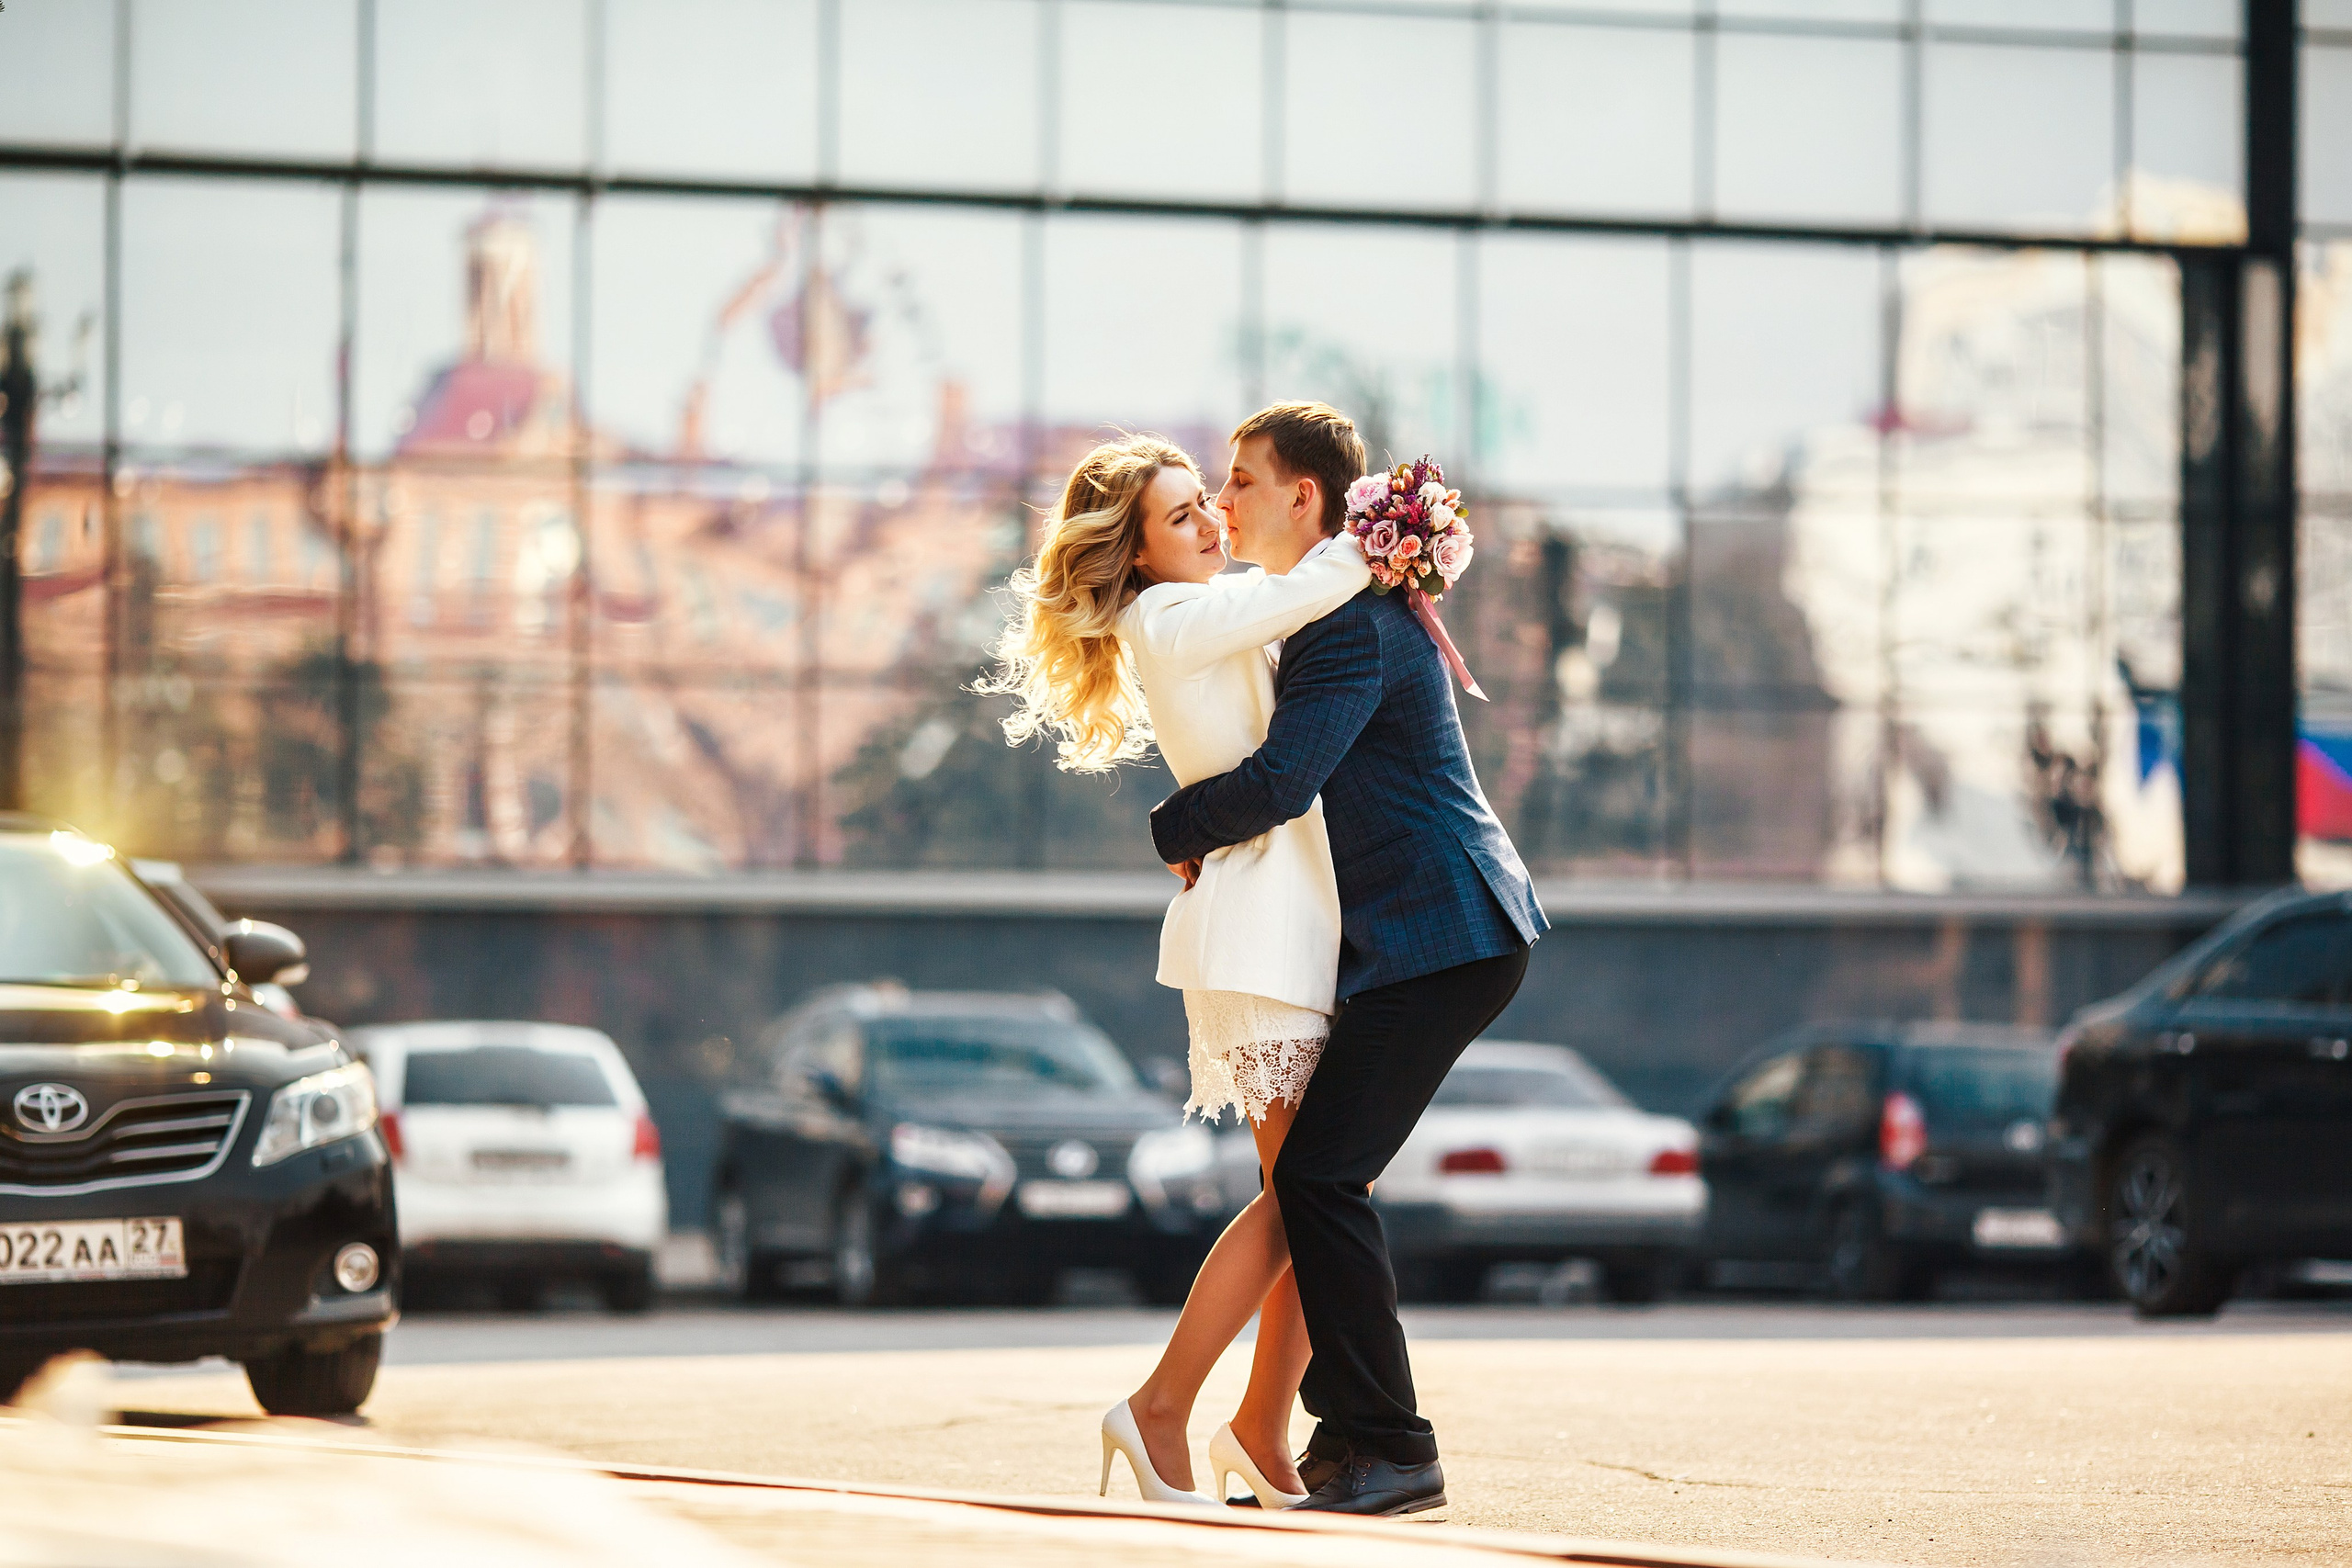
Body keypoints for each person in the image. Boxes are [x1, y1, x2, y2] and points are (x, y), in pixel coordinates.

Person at [1152, 402, 1548, 1517]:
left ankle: (1389, 1446)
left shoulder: (1346, 625)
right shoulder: (1330, 608)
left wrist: (1170, 831)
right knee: (1324, 1181)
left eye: (1238, 481)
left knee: (1318, 1180)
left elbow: (1283, 782)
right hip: (1425, 940)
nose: (1223, 502)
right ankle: (1339, 1444)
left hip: (1445, 934)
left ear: (1303, 498)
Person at [982, 432, 1371, 1509]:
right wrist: (1384, 529)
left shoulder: (1215, 602)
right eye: (1182, 515)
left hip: (1300, 924)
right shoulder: (1170, 615)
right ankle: (1165, 1410)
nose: (1210, 523)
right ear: (1139, 554)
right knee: (1308, 1195)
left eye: (1209, 500)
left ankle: (1257, 1432)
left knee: (1329, 1192)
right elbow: (1317, 579)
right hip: (1258, 935)